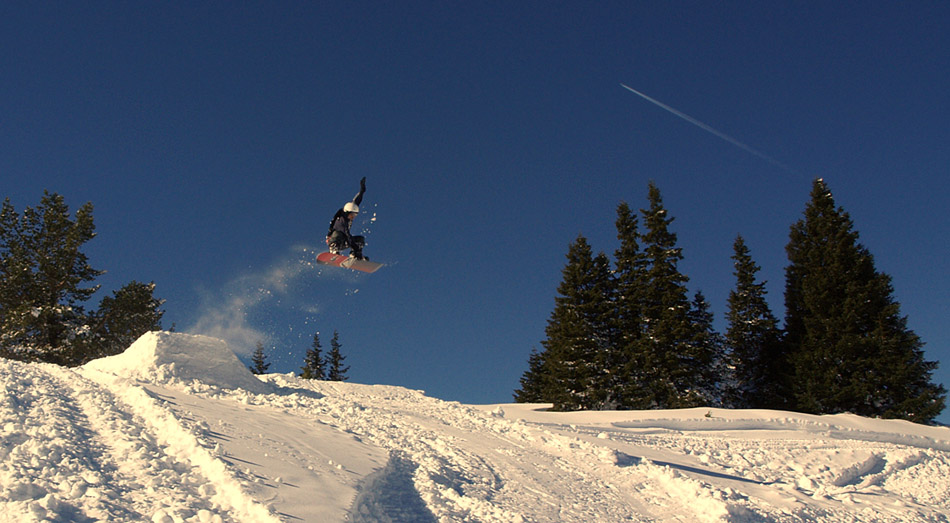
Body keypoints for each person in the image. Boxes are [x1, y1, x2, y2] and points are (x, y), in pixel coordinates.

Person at [326, 177, 368, 260]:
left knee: (360, 240)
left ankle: (354, 255)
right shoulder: (342, 220)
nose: (353, 217)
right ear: (347, 212)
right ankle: (334, 250)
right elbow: (347, 235)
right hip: (335, 240)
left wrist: (362, 191)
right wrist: (355, 248)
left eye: (355, 215)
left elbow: (356, 202)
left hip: (344, 241)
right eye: (352, 215)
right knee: (338, 234)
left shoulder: (349, 212)